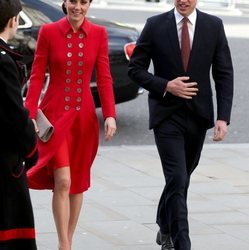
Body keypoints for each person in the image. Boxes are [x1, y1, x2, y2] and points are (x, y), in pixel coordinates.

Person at [128, 0, 233, 249]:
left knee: (181, 179)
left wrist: (223, 117)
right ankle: (179, 241)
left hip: (198, 115)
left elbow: (224, 73)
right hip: (166, 115)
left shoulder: (213, 25)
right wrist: (165, 85)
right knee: (177, 177)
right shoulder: (155, 25)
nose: (183, 0)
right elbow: (135, 69)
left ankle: (165, 224)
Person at [24, 0, 117, 249]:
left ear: (89, 4)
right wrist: (30, 113)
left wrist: (109, 114)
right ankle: (64, 245)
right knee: (62, 180)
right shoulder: (48, 31)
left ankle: (69, 240)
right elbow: (36, 75)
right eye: (73, 1)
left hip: (84, 118)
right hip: (54, 117)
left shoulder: (99, 34)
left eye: (83, 2)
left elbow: (105, 77)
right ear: (65, 2)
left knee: (77, 182)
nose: (78, 7)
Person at [0, 0, 39, 249]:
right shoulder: (4, 61)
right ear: (13, 20)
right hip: (4, 160)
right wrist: (31, 149)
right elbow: (14, 114)